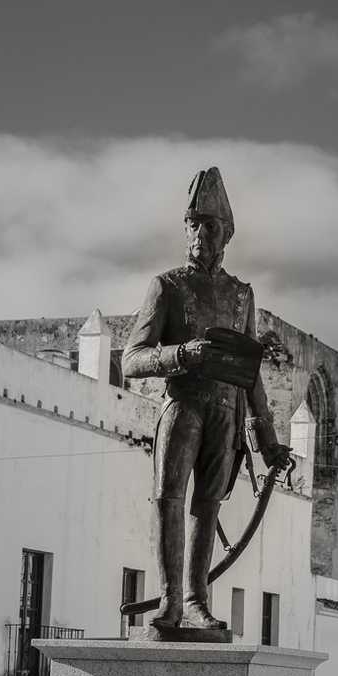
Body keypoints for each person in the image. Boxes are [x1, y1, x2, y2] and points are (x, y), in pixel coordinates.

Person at [122, 167, 289, 630]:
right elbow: (131, 360)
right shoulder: (167, 286)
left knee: (207, 506)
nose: (199, 233)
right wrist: (181, 353)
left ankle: (196, 601)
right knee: (168, 498)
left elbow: (250, 371)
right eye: (193, 223)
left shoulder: (242, 295)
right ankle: (171, 601)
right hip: (183, 404)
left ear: (227, 233)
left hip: (226, 415)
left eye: (209, 225)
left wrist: (267, 438)